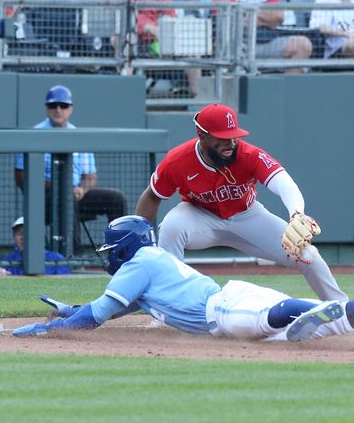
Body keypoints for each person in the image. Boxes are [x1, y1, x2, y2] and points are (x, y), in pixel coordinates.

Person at [11, 215, 354, 345]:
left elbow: (99, 316)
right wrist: (72, 310)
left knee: (281, 316)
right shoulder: (145, 262)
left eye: (112, 249)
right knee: (333, 324)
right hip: (230, 301)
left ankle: (313, 312)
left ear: (124, 247)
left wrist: (51, 329)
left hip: (223, 310)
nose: (110, 258)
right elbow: (120, 306)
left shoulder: (138, 263)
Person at [133, 103, 342, 300]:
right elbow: (152, 195)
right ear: (202, 135)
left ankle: (343, 310)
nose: (230, 143)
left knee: (308, 255)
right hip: (199, 216)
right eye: (222, 138)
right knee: (172, 226)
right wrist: (140, 243)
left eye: (233, 136)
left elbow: (284, 183)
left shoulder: (250, 154)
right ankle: (171, 305)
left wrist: (297, 213)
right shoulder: (177, 160)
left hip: (248, 215)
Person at [13, 85, 128, 244]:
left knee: (116, 198)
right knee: (67, 195)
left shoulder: (78, 135)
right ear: (47, 108)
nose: (58, 110)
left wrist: (82, 189)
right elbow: (21, 177)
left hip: (75, 194)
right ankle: (74, 256)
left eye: (63, 106)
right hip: (43, 198)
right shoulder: (34, 134)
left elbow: (90, 176)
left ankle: (120, 249)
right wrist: (56, 186)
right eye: (53, 105)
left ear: (70, 109)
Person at [0, 217, 70, 276]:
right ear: (14, 238)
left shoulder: (57, 259)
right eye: (20, 233)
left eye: (28, 233)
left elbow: (64, 285)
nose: (24, 237)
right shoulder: (8, 259)